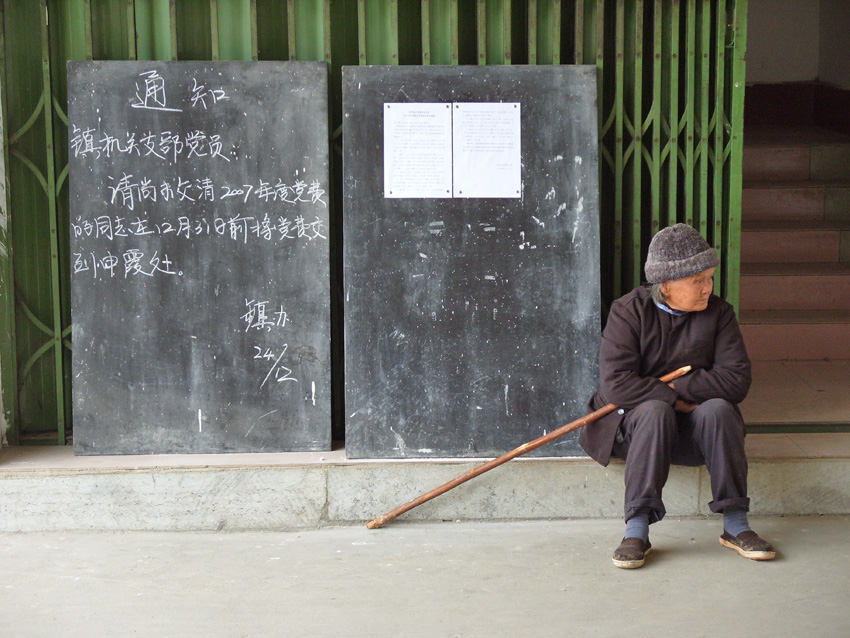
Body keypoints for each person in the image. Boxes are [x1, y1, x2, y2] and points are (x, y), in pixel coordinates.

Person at [580, 223, 776, 569]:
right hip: (638, 429)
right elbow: (617, 386)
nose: (707, 289)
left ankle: (736, 524)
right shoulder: (628, 311)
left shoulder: (719, 314)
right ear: (666, 285)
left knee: (718, 410)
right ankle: (637, 528)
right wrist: (671, 400)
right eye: (697, 281)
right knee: (655, 411)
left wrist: (679, 389)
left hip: (694, 431)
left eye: (710, 278)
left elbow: (737, 381)